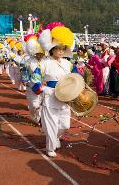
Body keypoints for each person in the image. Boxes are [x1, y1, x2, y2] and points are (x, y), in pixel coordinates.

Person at [30, 22, 75, 157]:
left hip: (65, 98)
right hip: (50, 97)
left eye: (63, 48)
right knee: (51, 125)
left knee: (65, 125)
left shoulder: (68, 64)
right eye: (58, 48)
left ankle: (56, 138)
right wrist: (44, 89)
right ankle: (50, 148)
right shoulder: (45, 63)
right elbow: (35, 79)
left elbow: (77, 77)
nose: (60, 51)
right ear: (52, 49)